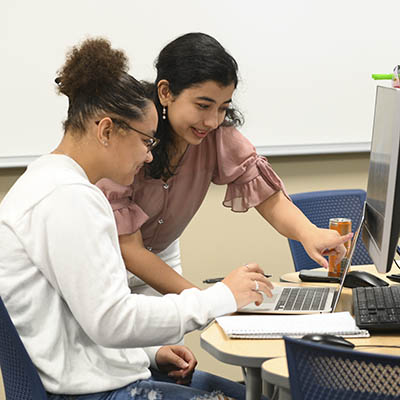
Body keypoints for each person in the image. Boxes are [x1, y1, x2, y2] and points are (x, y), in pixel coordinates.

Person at [0, 37, 273, 400]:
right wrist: (220, 297)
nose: (148, 157)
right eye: (147, 142)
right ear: (107, 131)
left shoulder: (53, 183)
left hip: (96, 376)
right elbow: (113, 320)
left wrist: (148, 353)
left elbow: (82, 317)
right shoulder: (67, 199)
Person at [97, 32, 352, 296]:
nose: (212, 121)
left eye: (222, 108)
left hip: (158, 261)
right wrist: (211, 301)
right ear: (165, 92)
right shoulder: (130, 138)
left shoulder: (215, 137)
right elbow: (129, 249)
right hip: (107, 266)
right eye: (203, 105)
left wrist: (309, 233)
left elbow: (266, 195)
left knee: (175, 338)